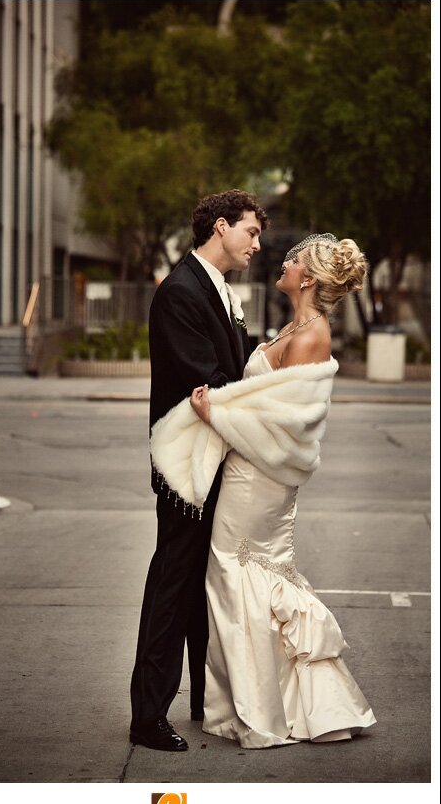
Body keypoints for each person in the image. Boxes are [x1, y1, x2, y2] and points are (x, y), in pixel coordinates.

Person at [151, 233, 376, 747]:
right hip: (245, 469)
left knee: (241, 579)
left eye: (294, 260)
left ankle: (263, 708)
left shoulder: (311, 335)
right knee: (232, 581)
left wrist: (218, 415)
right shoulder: (292, 327)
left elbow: (286, 427)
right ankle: (244, 698)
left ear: (309, 279)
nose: (283, 261)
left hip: (260, 478)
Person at [130, 190, 268, 752]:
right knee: (173, 582)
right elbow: (208, 381)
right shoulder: (181, 292)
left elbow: (232, 363)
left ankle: (199, 700)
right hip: (188, 462)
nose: (257, 245)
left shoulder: (214, 289)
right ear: (220, 227)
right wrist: (272, 395)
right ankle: (147, 715)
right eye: (251, 232)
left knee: (197, 586)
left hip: (212, 458)